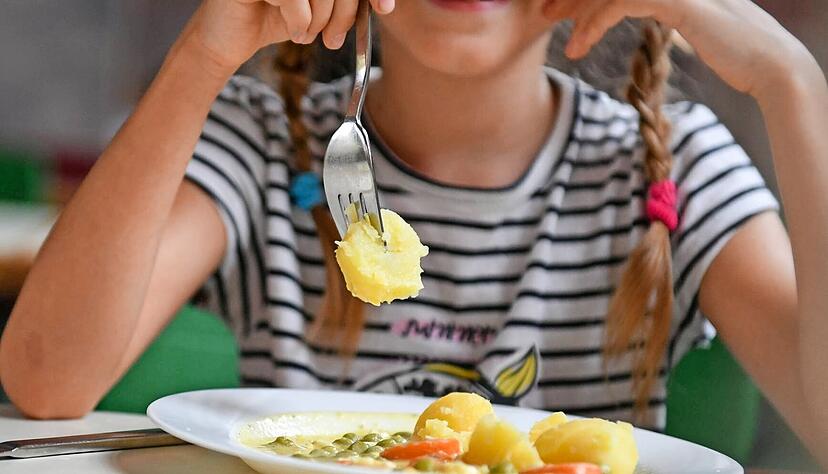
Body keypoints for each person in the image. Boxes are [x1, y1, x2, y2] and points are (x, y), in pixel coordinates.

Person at [1, 0, 826, 464]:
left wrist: (790, 82)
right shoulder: (261, 140)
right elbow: (46, 383)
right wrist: (201, 54)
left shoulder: (673, 166)